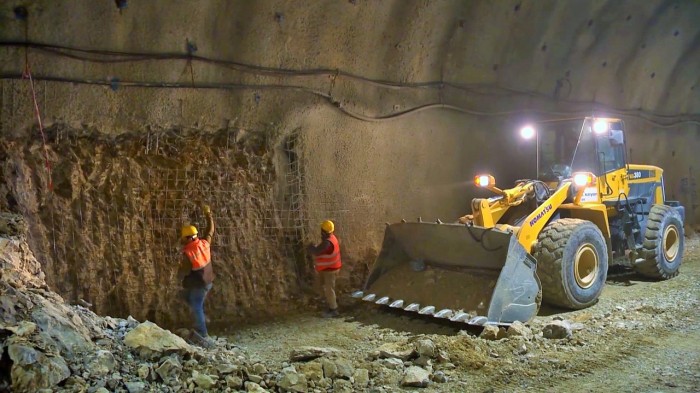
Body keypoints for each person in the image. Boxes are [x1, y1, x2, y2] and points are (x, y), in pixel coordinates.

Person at [178, 204, 215, 347]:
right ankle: (202, 317)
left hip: (200, 283)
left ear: (187, 238)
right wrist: (208, 214)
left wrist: (179, 272)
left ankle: (203, 334)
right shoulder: (205, 243)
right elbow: (210, 230)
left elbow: (186, 271)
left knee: (195, 304)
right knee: (188, 297)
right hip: (208, 281)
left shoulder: (188, 253)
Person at [307, 220, 342, 318]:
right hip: (328, 269)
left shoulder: (327, 243)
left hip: (330, 270)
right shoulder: (331, 238)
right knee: (321, 286)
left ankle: (334, 309)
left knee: (329, 289)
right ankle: (327, 303)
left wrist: (309, 246)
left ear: (323, 231)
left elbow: (317, 251)